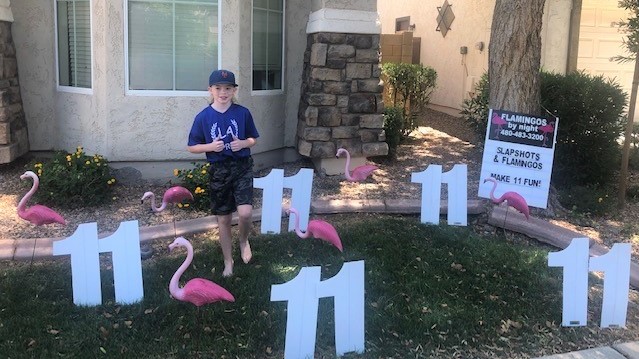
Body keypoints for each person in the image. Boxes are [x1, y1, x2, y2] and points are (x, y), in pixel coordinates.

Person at [187, 69, 259, 277]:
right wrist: (210, 146)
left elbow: (253, 138)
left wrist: (244, 143)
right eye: (218, 88)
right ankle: (228, 261)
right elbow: (192, 147)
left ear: (234, 90)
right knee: (224, 219)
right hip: (219, 171)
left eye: (228, 88)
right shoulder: (203, 117)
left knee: (245, 213)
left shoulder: (242, 113)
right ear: (210, 90)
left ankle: (244, 239)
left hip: (242, 166)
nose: (223, 92)